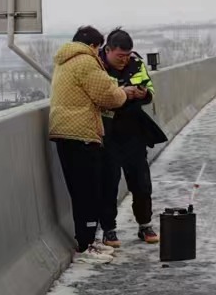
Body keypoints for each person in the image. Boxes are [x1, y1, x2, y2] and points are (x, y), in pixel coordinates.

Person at [49, 25, 144, 256]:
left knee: (78, 190)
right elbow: (108, 96)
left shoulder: (64, 61)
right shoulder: (86, 62)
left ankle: (85, 240)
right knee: (89, 192)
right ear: (93, 45)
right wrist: (126, 93)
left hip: (63, 130)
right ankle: (87, 243)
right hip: (82, 133)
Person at [96, 28, 168, 245]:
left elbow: (150, 89)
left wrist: (143, 93)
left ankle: (145, 225)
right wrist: (121, 93)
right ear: (107, 50)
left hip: (133, 130)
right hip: (106, 131)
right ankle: (109, 229)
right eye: (120, 56)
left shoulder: (136, 64)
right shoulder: (95, 66)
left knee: (141, 181)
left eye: (127, 55)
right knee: (109, 181)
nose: (124, 60)